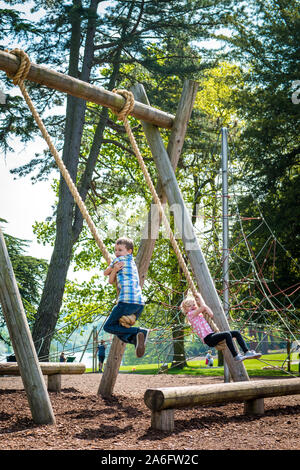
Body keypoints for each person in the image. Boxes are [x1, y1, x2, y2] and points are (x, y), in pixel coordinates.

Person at [180, 293, 261, 362]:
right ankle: (236, 356)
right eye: (189, 306)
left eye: (193, 304)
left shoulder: (200, 314)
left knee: (236, 333)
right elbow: (203, 307)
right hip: (208, 339)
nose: (192, 306)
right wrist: (200, 297)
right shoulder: (190, 315)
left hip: (212, 335)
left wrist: (202, 304)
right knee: (227, 334)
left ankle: (246, 351)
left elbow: (211, 314)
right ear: (185, 309)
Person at [103, 237, 149, 358]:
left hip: (126, 302)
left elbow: (107, 275)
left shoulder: (118, 261)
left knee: (108, 327)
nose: (117, 252)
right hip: (139, 304)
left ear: (129, 251)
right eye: (115, 250)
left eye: (120, 249)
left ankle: (140, 332)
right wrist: (116, 270)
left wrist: (114, 269)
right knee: (120, 329)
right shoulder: (132, 261)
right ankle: (136, 340)